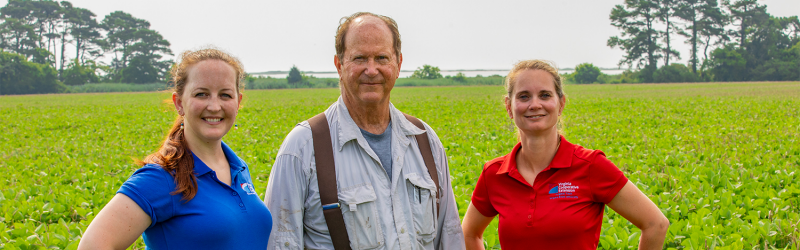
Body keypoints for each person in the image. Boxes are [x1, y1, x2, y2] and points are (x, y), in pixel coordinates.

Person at [263, 12, 465, 250]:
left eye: (381, 58)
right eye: (359, 58)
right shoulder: (303, 146)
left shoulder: (424, 140)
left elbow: (450, 237)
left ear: (398, 64)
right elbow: (280, 243)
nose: (371, 69)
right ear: (339, 65)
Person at [461, 60, 669, 249]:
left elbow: (655, 224)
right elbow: (469, 234)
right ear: (509, 106)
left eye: (545, 95)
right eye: (524, 96)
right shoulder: (494, 174)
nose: (535, 104)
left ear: (561, 104)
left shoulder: (591, 165)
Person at [79, 48, 272, 249]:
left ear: (238, 102)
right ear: (179, 103)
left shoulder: (238, 167)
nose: (214, 106)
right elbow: (93, 245)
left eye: (225, 95)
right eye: (201, 94)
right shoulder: (161, 177)